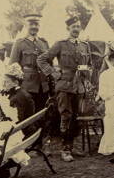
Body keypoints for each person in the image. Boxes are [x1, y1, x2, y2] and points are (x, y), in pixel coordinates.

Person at [37, 15, 92, 160]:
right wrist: (53, 73)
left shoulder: (84, 45)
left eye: (78, 27)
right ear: (68, 29)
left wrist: (86, 72)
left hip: (79, 86)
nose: (76, 29)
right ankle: (65, 150)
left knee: (76, 117)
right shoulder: (60, 44)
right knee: (66, 115)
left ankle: (72, 147)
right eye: (73, 27)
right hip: (65, 85)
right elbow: (41, 59)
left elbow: (90, 65)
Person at [8, 13, 51, 113]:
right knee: (28, 115)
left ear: (39, 26)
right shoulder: (19, 43)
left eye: (36, 24)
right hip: (26, 86)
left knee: (41, 114)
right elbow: (12, 67)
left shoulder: (44, 43)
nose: (33, 27)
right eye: (31, 24)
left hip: (43, 86)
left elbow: (49, 64)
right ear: (26, 25)